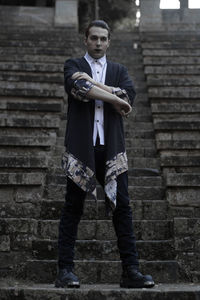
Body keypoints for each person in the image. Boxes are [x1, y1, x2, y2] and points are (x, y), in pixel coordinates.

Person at [55, 20, 155, 289]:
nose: (98, 43)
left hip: (111, 149)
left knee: (122, 208)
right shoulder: (72, 65)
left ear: (109, 42)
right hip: (81, 149)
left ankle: (130, 271)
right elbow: (80, 89)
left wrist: (104, 90)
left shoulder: (119, 70)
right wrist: (113, 96)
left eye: (103, 39)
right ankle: (65, 271)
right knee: (72, 208)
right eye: (94, 38)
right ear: (85, 40)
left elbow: (128, 96)